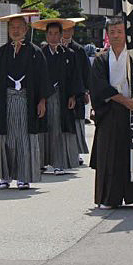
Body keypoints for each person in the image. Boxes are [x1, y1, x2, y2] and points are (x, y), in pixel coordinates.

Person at [89, 16, 133, 209]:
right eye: (113, 32)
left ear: (126, 33)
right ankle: (109, 198)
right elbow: (99, 87)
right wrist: (123, 101)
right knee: (109, 154)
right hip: (110, 111)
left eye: (120, 31)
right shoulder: (102, 59)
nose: (116, 35)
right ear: (107, 35)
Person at [0, 13, 51, 190]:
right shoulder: (0, 53)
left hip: (26, 102)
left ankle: (24, 176)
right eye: (12, 27)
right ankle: (4, 176)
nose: (15, 30)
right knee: (4, 140)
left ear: (25, 29)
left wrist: (42, 101)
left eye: (19, 27)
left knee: (24, 140)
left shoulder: (35, 52)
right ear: (8, 30)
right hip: (5, 102)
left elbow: (43, 78)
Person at [35, 19, 84, 175]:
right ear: (46, 35)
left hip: (61, 96)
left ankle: (58, 163)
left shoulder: (69, 54)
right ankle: (40, 161)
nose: (53, 37)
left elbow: (75, 77)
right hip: (42, 96)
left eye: (56, 34)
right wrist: (39, 97)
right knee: (40, 130)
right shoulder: (39, 53)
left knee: (57, 128)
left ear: (61, 35)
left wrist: (73, 96)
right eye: (50, 34)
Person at [63, 19, 91, 161]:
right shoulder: (55, 48)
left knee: (77, 122)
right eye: (64, 30)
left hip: (77, 90)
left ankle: (77, 152)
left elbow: (86, 72)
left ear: (73, 31)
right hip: (61, 92)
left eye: (69, 30)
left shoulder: (78, 49)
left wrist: (86, 90)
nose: (66, 33)